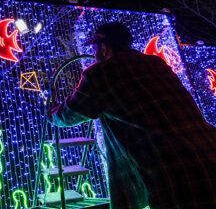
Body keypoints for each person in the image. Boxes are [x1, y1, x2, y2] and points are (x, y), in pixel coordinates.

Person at [47, 22, 216, 209]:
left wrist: (50, 110)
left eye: (95, 48)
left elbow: (68, 115)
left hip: (173, 172)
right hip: (209, 151)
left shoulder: (101, 74)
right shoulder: (156, 63)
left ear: (104, 48)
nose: (94, 54)